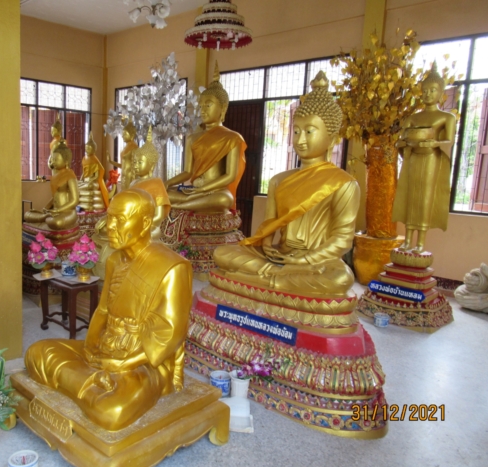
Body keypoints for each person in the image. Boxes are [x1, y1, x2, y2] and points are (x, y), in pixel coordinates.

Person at [25, 189, 192, 431]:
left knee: (112, 411)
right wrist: (90, 349)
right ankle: (92, 384)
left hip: (143, 363)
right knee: (37, 352)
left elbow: (169, 335)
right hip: (106, 349)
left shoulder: (172, 267)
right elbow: (103, 310)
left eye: (119, 219)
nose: (109, 227)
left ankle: (87, 384)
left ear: (145, 223)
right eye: (109, 217)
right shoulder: (115, 260)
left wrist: (121, 365)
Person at [213, 72, 359, 297]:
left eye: (309, 132)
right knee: (222, 253)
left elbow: (342, 240)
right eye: (296, 131)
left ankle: (261, 280)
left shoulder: (344, 184)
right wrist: (267, 246)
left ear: (332, 137)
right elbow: (269, 226)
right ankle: (276, 278)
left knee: (341, 278)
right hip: (279, 256)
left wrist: (305, 259)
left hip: (316, 262)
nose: (300, 139)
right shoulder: (279, 180)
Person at [392, 64, 457, 253]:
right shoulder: (413, 118)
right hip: (413, 159)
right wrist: (404, 144)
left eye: (433, 90)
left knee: (425, 198)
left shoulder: (446, 117)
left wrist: (435, 143)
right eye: (425, 90)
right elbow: (401, 141)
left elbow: (449, 141)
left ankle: (420, 242)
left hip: (431, 160)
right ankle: (407, 240)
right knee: (411, 198)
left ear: (441, 93)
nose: (428, 94)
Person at [164, 62, 246, 213]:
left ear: (223, 108)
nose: (202, 110)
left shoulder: (232, 138)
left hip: (215, 191)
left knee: (225, 199)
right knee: (166, 193)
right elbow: (188, 172)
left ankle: (179, 206)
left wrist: (203, 189)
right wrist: (167, 183)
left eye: (208, 105)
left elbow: (230, 176)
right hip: (194, 190)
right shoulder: (192, 138)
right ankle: (185, 203)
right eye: (201, 106)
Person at [23, 140, 79, 231]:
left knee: (56, 222)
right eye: (53, 159)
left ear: (66, 162)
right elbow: (54, 197)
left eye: (56, 160)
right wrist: (45, 208)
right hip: (53, 211)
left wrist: (58, 210)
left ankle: (45, 218)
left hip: (67, 212)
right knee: (27, 215)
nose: (53, 162)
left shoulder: (70, 176)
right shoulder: (55, 176)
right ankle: (45, 217)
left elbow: (75, 200)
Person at [77, 132, 109, 211]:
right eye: (86, 148)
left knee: (89, 186)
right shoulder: (84, 159)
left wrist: (91, 180)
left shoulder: (94, 160)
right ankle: (80, 207)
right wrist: (80, 180)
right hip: (85, 181)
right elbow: (84, 173)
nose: (87, 150)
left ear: (94, 150)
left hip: (93, 182)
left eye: (89, 148)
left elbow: (96, 176)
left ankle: (91, 207)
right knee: (76, 185)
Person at [109, 120, 139, 191]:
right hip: (124, 176)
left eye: (125, 134)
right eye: (123, 134)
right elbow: (122, 166)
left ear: (131, 135)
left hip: (131, 177)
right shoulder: (125, 148)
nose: (122, 136)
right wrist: (111, 161)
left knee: (130, 194)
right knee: (124, 194)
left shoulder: (134, 148)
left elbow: (136, 166)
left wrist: (134, 180)